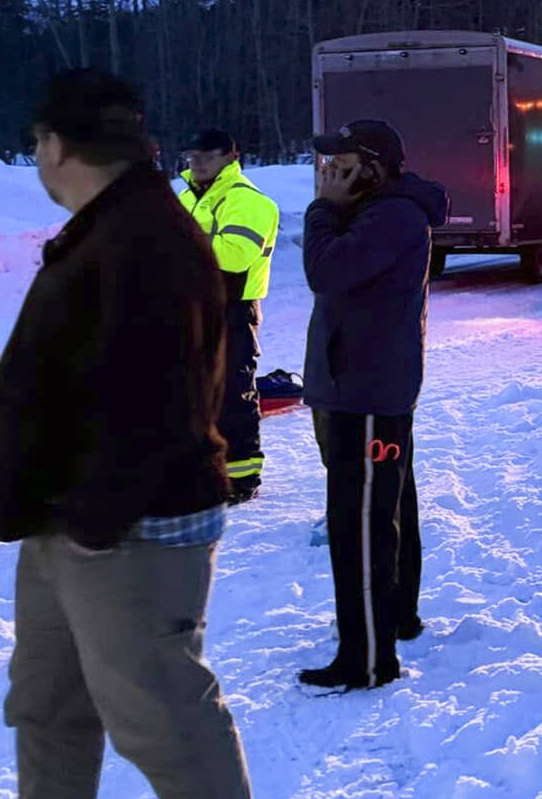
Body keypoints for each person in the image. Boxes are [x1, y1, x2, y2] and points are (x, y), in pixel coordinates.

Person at [0, 70, 251, 799]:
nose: (37, 157)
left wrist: (96, 522)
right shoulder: (108, 227)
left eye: (37, 142)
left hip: (126, 530)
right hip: (67, 518)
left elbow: (164, 399)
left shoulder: (149, 238)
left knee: (167, 728)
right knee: (48, 708)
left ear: (57, 144)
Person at [299, 117, 448, 691]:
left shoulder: (391, 216)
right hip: (368, 388)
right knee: (385, 512)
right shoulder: (381, 211)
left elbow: (325, 271)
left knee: (358, 525)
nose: (329, 171)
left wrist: (321, 210)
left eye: (341, 162)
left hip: (366, 394)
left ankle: (365, 659)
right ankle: (394, 618)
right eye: (326, 162)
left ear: (374, 168)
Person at [177, 128, 279, 503]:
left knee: (232, 395)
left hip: (231, 309)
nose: (198, 162)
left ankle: (240, 477)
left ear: (231, 158)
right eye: (192, 156)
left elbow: (235, 255)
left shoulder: (247, 201)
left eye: (207, 155)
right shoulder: (189, 198)